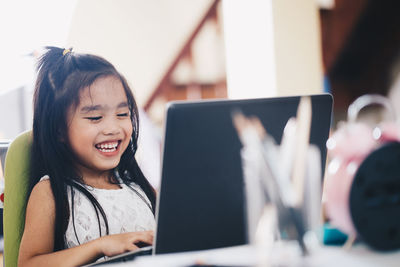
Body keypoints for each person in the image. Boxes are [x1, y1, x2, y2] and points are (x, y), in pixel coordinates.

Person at [18, 47, 157, 266]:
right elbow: (28, 264)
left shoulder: (139, 188)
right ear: (59, 130)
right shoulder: (51, 192)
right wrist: (100, 245)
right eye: (95, 117)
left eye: (123, 114)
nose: (113, 128)